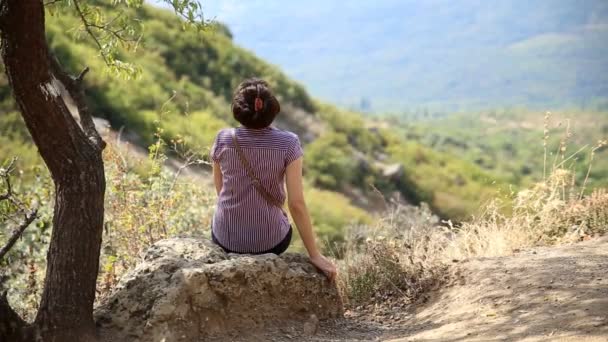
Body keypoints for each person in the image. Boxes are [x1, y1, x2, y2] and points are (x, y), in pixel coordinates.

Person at [210, 78, 337, 281]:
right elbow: (296, 204)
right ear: (273, 109)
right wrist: (314, 254)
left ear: (238, 110)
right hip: (270, 242)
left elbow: (220, 190)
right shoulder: (289, 143)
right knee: (282, 221)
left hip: (225, 239)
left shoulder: (223, 138)